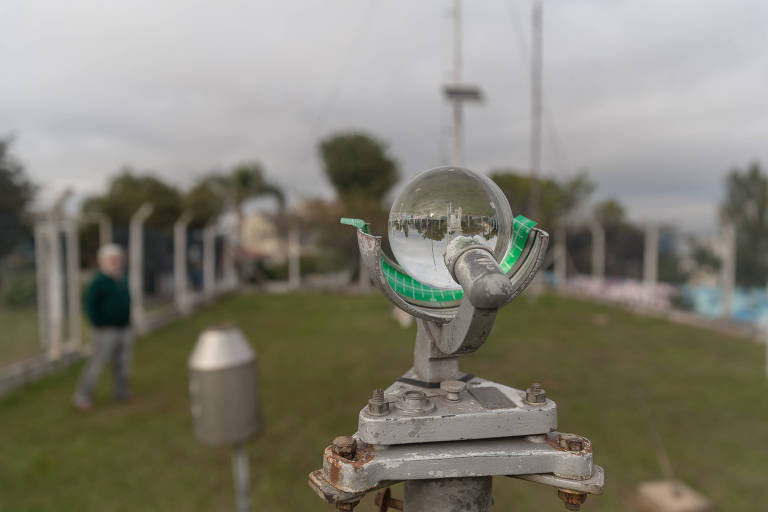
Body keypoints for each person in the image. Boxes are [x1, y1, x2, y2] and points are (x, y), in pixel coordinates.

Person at [72, 244, 133, 411]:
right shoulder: (99, 281)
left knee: (122, 363)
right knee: (97, 364)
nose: (115, 262)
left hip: (123, 328)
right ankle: (82, 396)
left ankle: (121, 392)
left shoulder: (121, 278)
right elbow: (90, 306)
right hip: (105, 331)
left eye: (118, 259)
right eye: (111, 260)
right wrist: (99, 324)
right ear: (103, 261)